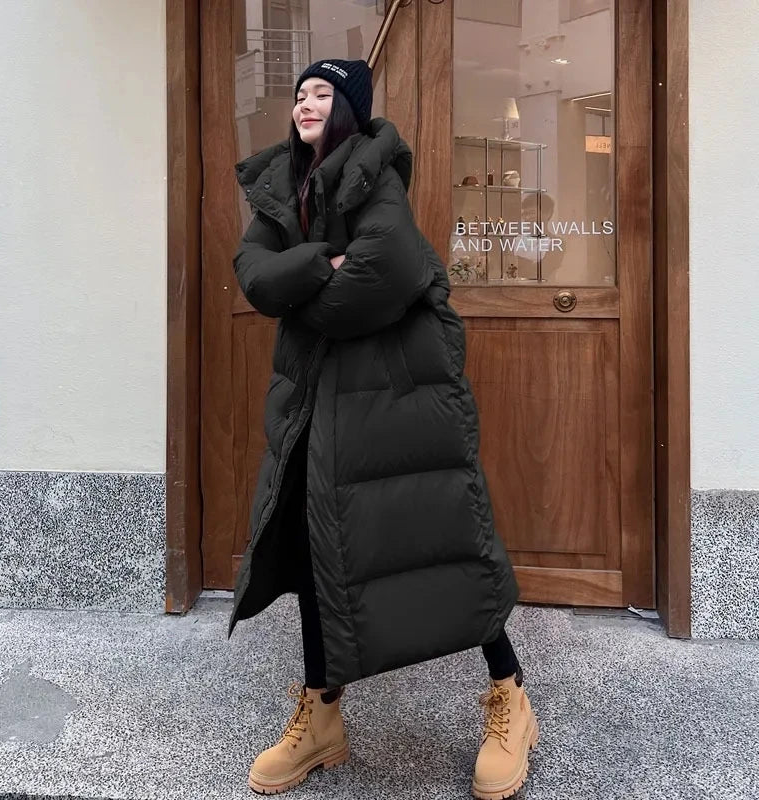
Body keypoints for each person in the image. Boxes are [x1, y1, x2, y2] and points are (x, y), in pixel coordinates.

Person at [227, 58, 539, 800]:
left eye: (322, 93)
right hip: (313, 399)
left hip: (397, 398)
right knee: (307, 548)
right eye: (299, 93)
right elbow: (252, 273)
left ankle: (511, 697)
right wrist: (315, 264)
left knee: (441, 543)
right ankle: (322, 713)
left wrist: (302, 291)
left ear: (348, 110)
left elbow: (383, 274)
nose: (305, 102)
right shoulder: (280, 185)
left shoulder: (377, 173)